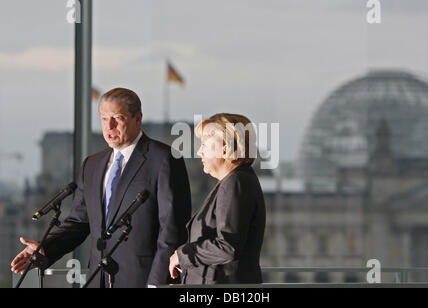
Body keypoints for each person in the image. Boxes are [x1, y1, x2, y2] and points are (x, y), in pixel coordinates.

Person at [11, 88, 192, 288]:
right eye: (104, 119)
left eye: (117, 118)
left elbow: (172, 229)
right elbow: (79, 221)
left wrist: (157, 283)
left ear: (137, 118)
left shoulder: (163, 159)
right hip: (98, 279)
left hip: (143, 279)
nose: (110, 126)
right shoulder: (92, 164)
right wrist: (45, 249)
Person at [169, 113, 266, 284]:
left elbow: (228, 247)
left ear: (225, 149)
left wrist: (183, 254)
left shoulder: (235, 183)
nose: (199, 152)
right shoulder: (235, 181)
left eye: (205, 145)